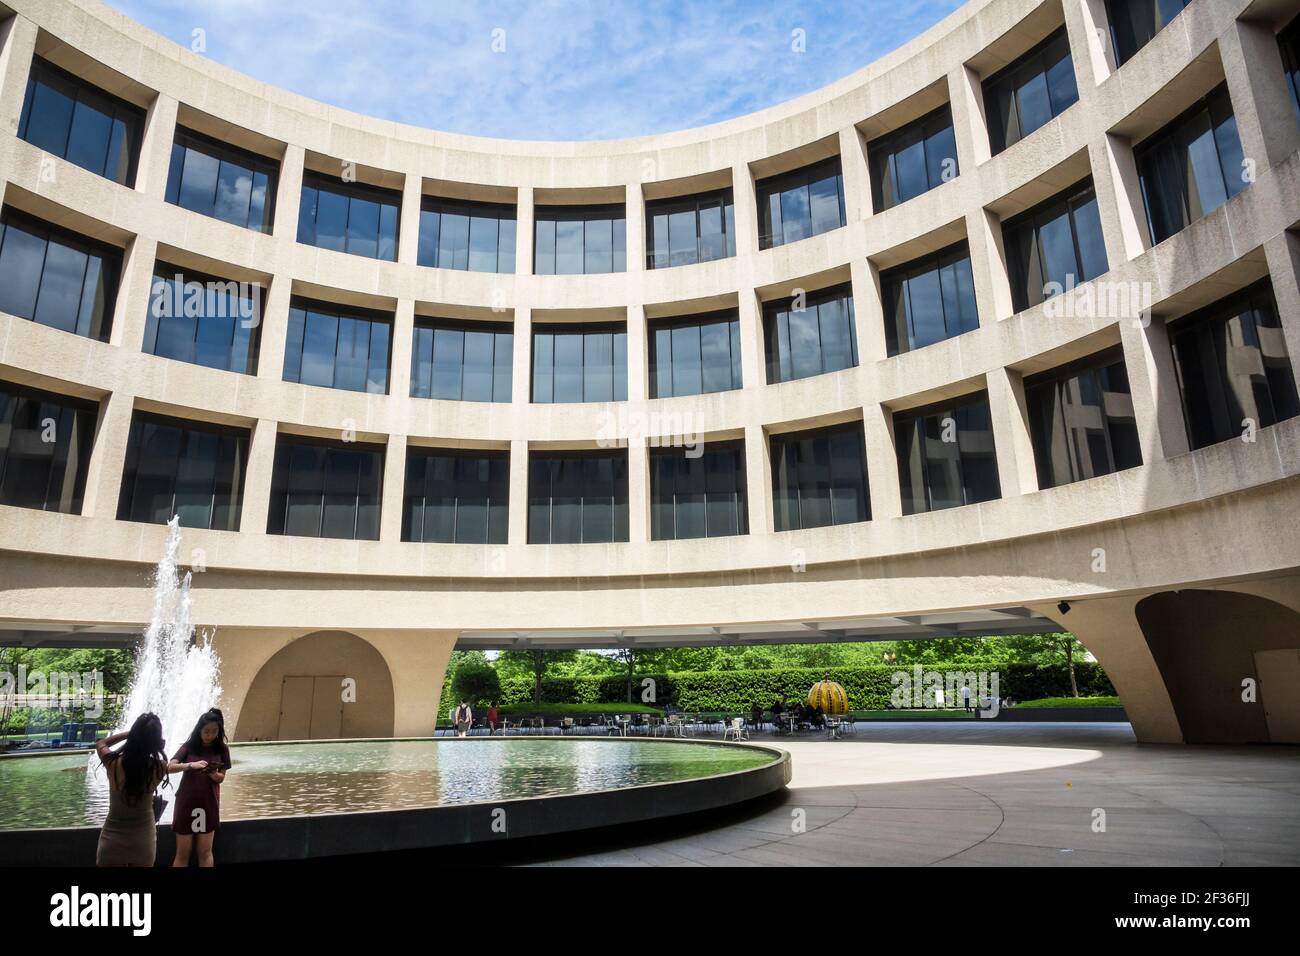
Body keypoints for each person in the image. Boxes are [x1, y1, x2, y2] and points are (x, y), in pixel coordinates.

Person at [94, 712, 170, 867]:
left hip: (112, 838)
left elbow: (101, 743)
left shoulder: (113, 763)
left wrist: (130, 734)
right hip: (143, 839)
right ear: (155, 741)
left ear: (134, 735)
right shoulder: (159, 767)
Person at [168, 708, 230, 867]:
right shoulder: (189, 747)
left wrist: (211, 773)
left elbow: (221, 778)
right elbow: (170, 767)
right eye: (206, 731)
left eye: (214, 731)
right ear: (199, 730)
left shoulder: (222, 749)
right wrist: (191, 765)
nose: (210, 735)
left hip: (208, 804)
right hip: (186, 803)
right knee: (182, 854)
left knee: (205, 852)